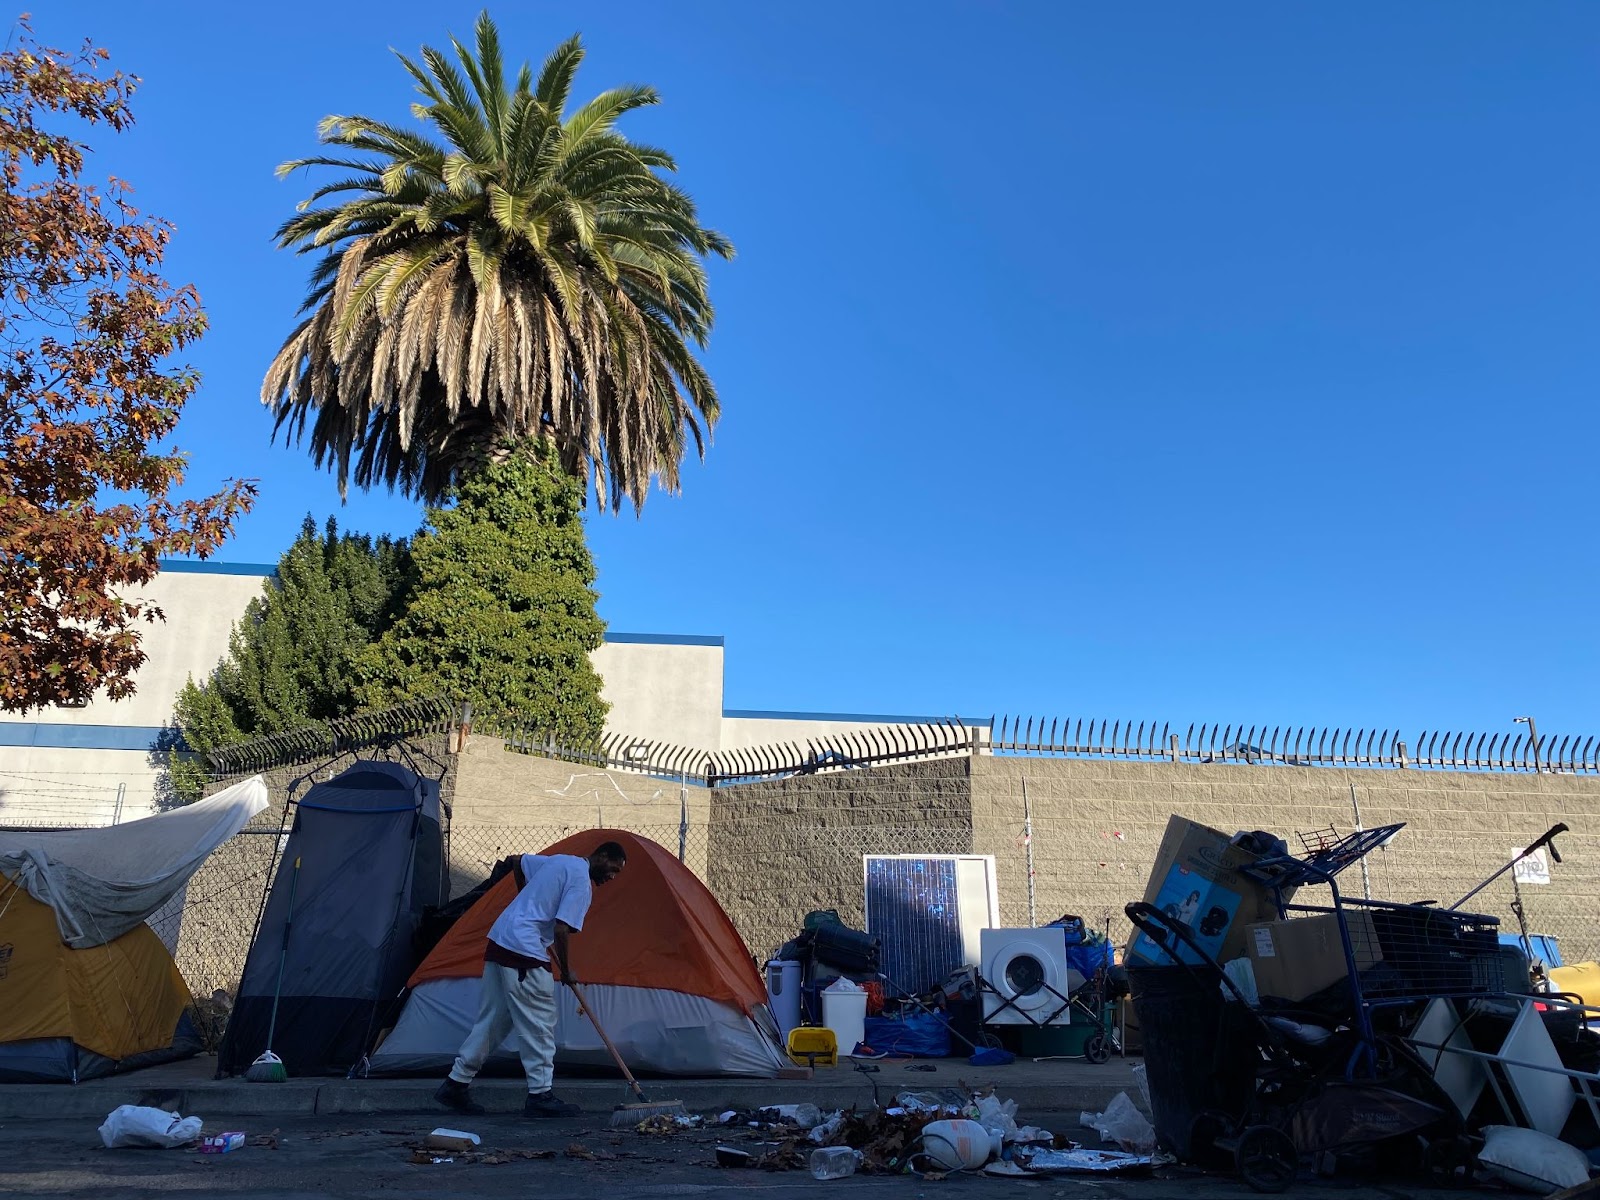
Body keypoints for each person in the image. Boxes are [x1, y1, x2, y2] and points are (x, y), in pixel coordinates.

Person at [434, 841, 627, 1118]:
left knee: (493, 1022)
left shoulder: (561, 861)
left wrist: (526, 902)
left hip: (501, 940)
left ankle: (455, 1083)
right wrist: (568, 970)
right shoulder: (581, 883)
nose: (612, 877)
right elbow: (561, 928)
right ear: (602, 856)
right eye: (613, 869)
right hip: (524, 951)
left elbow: (517, 861)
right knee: (540, 1022)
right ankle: (540, 1095)